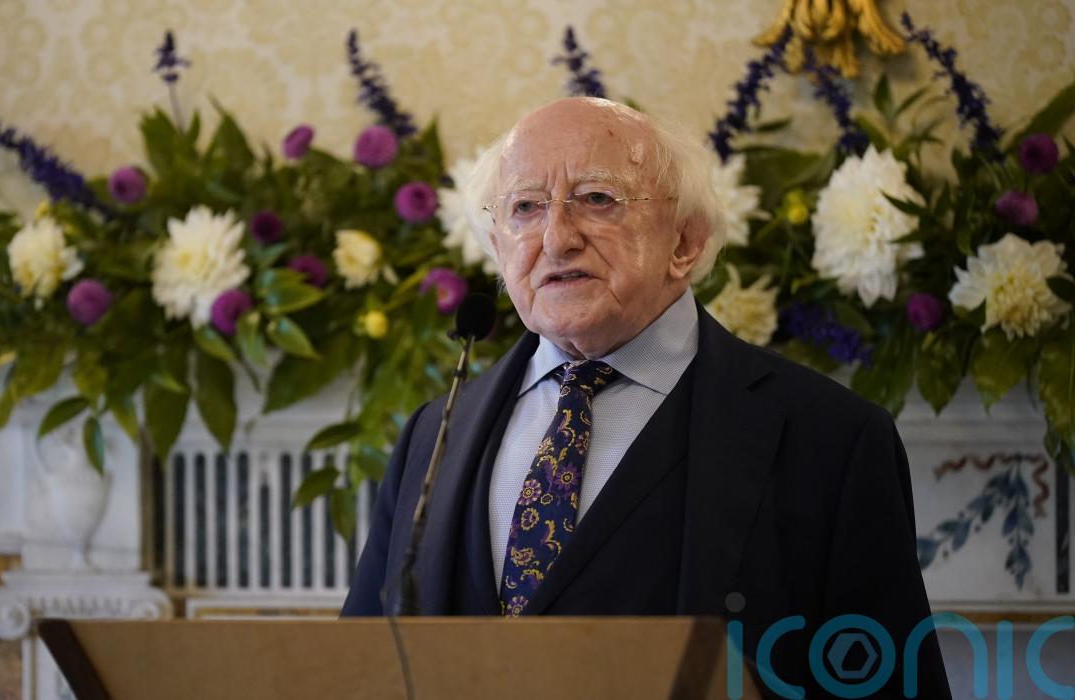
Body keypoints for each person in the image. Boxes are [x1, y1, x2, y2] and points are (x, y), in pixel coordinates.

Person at [342, 97, 950, 697]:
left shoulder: (833, 439)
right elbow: (360, 667)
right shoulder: (433, 433)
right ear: (499, 248)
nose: (556, 238)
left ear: (685, 241)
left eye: (597, 199)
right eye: (525, 207)